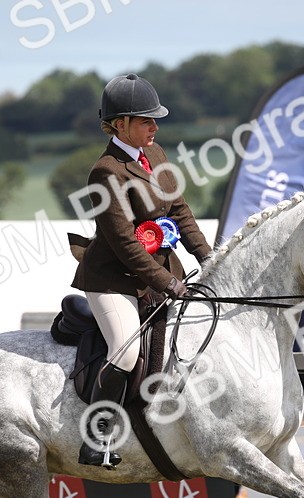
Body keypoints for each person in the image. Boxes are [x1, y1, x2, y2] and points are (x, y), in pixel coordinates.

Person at [70, 74, 212, 469]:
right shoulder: (106, 172)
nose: (155, 127)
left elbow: (180, 212)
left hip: (160, 272)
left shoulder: (159, 155)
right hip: (113, 280)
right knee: (127, 349)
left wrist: (210, 259)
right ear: (120, 125)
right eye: (146, 121)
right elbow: (124, 243)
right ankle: (96, 436)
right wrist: (167, 282)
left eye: (155, 121)